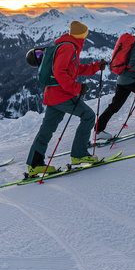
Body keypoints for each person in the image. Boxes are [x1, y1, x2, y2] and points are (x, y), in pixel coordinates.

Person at [27, 20, 107, 176]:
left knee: (46, 130)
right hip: (62, 95)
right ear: (82, 36)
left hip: (53, 96)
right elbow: (59, 72)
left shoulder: (67, 46)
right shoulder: (68, 48)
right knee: (89, 116)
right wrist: (77, 88)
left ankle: (34, 164)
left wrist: (96, 66)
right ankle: (79, 154)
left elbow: (75, 70)